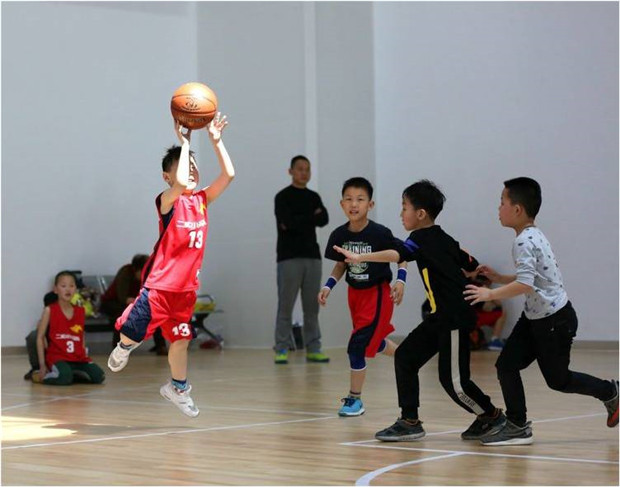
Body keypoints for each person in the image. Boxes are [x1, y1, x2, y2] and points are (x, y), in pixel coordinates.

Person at [335, 179, 505, 442]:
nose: (401, 213)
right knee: (405, 357)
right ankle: (409, 421)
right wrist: (476, 271)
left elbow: (397, 254)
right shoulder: (446, 239)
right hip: (439, 318)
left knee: (454, 382)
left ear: (421, 214)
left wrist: (360, 257)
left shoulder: (420, 238)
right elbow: (470, 263)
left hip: (453, 318)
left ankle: (492, 416)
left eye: (404, 207)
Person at [464, 177, 618, 445]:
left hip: (554, 321)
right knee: (506, 365)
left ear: (517, 209)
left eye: (502, 202)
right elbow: (533, 277)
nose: (498, 208)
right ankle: (517, 425)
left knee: (559, 380)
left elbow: (525, 284)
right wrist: (499, 278)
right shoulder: (533, 235)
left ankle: (610, 392)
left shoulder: (524, 241)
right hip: (535, 318)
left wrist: (490, 294)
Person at [107, 113, 235, 417]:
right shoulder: (168, 200)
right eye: (183, 166)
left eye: (193, 165)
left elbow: (229, 174)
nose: (191, 169)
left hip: (185, 290)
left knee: (180, 341)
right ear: (167, 177)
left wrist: (216, 141)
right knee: (132, 333)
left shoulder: (201, 200)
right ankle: (124, 346)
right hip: (159, 287)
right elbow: (179, 184)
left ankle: (177, 388)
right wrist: (185, 140)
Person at [320, 177, 405, 417]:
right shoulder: (339, 235)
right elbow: (341, 265)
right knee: (371, 342)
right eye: (348, 199)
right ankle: (407, 357)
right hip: (354, 295)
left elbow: (402, 255)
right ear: (341, 204)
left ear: (370, 204)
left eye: (360, 199)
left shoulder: (379, 233)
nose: (354, 204)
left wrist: (401, 280)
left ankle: (354, 400)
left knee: (356, 346)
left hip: (377, 294)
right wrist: (328, 286)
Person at [273, 155, 330, 364]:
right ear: (291, 171)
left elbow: (324, 219)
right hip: (288, 258)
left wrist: (300, 219)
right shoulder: (282, 197)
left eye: (307, 169)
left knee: (312, 308)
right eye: (300, 169)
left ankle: (313, 348)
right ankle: (281, 348)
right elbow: (287, 223)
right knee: (285, 306)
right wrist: (310, 216)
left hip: (313, 258)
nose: (304, 173)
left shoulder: (313, 196)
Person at [32, 271, 105, 385]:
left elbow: (81, 336)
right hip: (58, 358)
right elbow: (40, 337)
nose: (68, 289)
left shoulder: (80, 311)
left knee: (99, 376)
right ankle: (46, 376)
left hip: (78, 358)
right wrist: (42, 365)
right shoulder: (49, 310)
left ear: (76, 289)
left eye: (71, 286)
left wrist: (85, 354)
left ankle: (72, 374)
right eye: (63, 286)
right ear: (55, 289)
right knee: (64, 377)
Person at [100, 254, 168, 355]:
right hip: (112, 303)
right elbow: (122, 297)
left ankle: (161, 346)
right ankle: (118, 347)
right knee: (124, 313)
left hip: (134, 303)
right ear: (136, 269)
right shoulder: (125, 273)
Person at [470, 274, 506, 351]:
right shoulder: (480, 288)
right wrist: (489, 291)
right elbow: (497, 305)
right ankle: (494, 340)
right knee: (502, 313)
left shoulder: (469, 285)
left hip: (464, 318)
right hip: (473, 318)